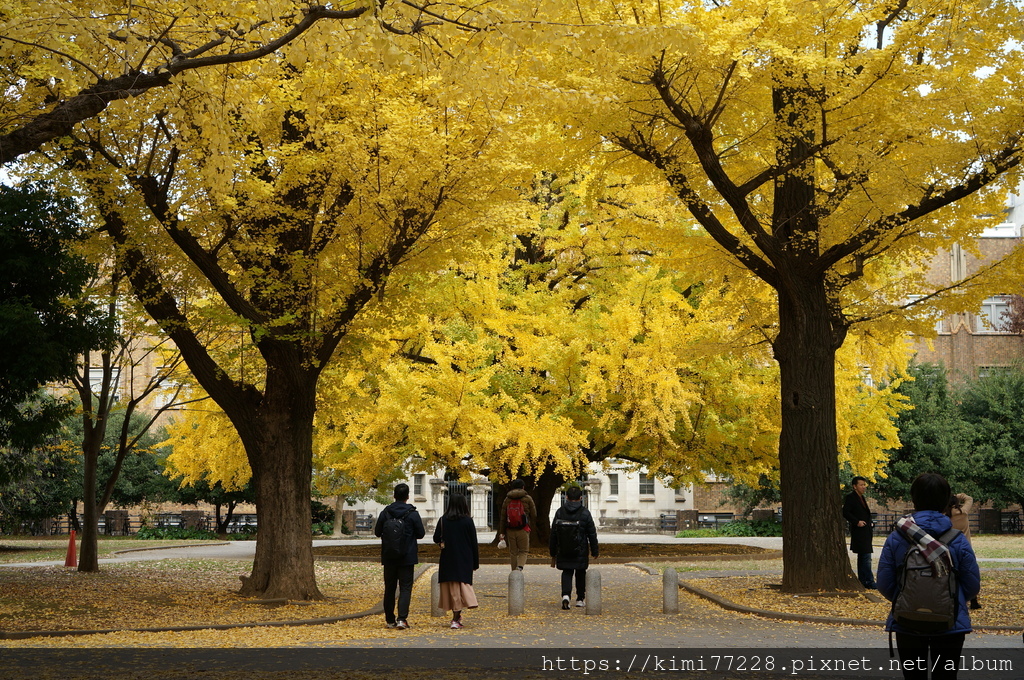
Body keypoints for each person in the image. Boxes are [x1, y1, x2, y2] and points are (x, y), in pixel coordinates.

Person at [877, 473, 981, 680]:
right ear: (945, 501)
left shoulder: (897, 538)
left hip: (907, 622)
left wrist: (908, 599)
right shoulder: (957, 540)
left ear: (914, 499)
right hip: (950, 623)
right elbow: (972, 585)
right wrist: (953, 600)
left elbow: (884, 583)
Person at [373, 482, 425, 630]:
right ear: (408, 496)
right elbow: (421, 534)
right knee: (405, 588)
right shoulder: (412, 513)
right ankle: (402, 619)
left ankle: (390, 620)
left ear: (394, 496)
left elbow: (377, 532)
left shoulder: (385, 512)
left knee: (389, 588)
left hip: (389, 556)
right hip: (407, 556)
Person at [433, 493, 480, 629]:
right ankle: (455, 618)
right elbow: (473, 543)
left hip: (448, 557)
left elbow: (436, 537)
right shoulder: (467, 521)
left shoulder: (443, 520)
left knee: (452, 588)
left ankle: (456, 617)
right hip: (465, 558)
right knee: (461, 586)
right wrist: (475, 562)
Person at [549, 485, 598, 609]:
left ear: (566, 497)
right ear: (581, 498)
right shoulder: (585, 513)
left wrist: (552, 551)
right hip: (580, 549)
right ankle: (580, 598)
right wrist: (595, 550)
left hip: (564, 548)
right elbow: (591, 533)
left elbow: (553, 533)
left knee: (567, 572)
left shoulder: (560, 512)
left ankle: (566, 595)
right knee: (580, 572)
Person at [946, 492, 980, 610]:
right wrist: (959, 495)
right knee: (969, 573)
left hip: (949, 547)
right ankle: (973, 600)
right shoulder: (963, 512)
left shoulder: (945, 515)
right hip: (965, 546)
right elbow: (969, 498)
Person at [497, 479, 538, 571]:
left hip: (510, 529)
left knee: (513, 552)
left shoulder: (507, 499)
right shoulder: (527, 498)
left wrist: (502, 532)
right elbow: (534, 514)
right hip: (523, 528)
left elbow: (503, 517)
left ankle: (514, 572)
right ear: (523, 487)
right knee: (523, 551)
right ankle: (519, 567)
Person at [842, 475, 876, 589]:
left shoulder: (862, 498)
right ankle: (868, 580)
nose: (863, 487)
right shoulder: (851, 498)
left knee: (864, 556)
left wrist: (869, 522)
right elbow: (846, 512)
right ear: (854, 486)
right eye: (861, 485)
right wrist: (856, 522)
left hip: (866, 531)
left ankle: (864, 580)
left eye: (864, 485)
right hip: (859, 532)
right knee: (865, 556)